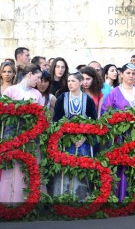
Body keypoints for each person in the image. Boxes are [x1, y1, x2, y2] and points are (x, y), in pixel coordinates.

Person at [101, 63, 135, 202]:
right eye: (128, 73)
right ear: (122, 74)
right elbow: (105, 113)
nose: (131, 76)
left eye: (133, 73)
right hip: (121, 137)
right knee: (123, 165)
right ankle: (122, 197)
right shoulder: (114, 92)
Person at [0, 64, 42, 203]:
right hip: (12, 136)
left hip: (30, 137)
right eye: (38, 77)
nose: (39, 81)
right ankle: (8, 200)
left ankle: (26, 202)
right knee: (11, 167)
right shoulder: (10, 91)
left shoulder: (37, 94)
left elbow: (41, 117)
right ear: (29, 74)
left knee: (27, 168)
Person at [51, 72, 97, 200]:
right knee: (65, 169)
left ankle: (81, 198)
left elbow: (93, 121)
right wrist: (64, 135)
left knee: (81, 169)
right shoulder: (62, 98)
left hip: (83, 140)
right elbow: (56, 120)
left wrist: (84, 137)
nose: (70, 83)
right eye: (69, 81)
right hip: (65, 140)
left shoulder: (88, 100)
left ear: (81, 82)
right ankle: (63, 198)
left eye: (73, 81)